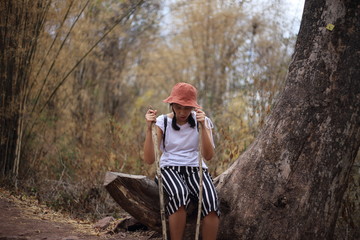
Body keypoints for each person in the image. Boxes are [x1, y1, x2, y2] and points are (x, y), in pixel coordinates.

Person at [144, 82, 220, 240]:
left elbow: (208, 156)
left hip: (195, 169)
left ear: (193, 107)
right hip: (168, 169)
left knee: (211, 201)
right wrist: (148, 128)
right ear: (172, 104)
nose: (182, 112)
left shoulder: (202, 122)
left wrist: (203, 126)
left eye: (187, 107)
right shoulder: (162, 122)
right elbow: (149, 159)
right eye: (178, 107)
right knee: (179, 194)